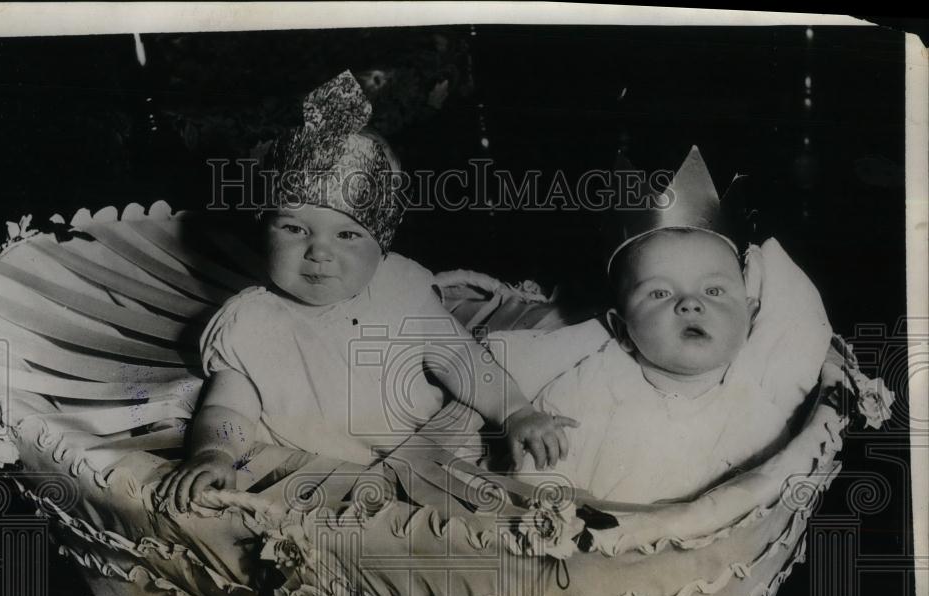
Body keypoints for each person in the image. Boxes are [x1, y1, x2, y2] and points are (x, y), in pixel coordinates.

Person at [157, 71, 575, 514]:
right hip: (313, 479)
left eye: (347, 236)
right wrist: (214, 453)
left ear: (383, 244)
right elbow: (229, 410)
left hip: (428, 451)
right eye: (294, 228)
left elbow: (463, 360)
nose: (318, 252)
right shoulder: (251, 323)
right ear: (263, 229)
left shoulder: (400, 294)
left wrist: (515, 411)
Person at [493, 147, 832, 504]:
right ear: (622, 330)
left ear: (749, 316)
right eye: (659, 293)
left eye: (713, 290)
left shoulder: (757, 416)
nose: (690, 303)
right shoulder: (586, 390)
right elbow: (538, 479)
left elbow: (761, 511)